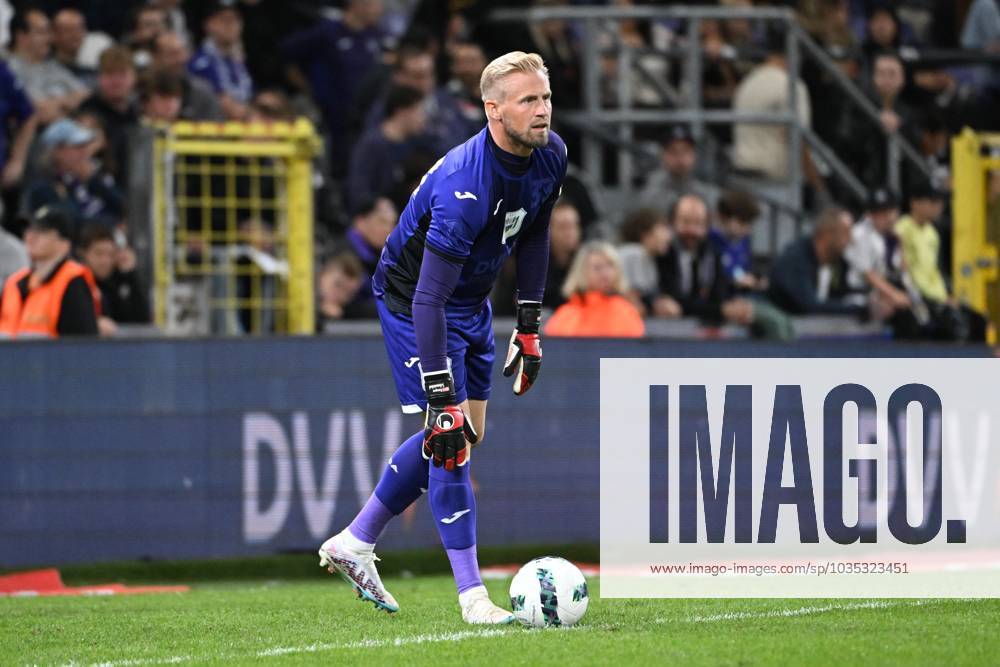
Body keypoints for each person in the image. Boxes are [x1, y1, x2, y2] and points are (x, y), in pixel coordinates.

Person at [318, 51, 567, 625]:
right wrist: (438, 392)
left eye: (546, 97)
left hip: (470, 298)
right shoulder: (465, 188)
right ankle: (473, 599)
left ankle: (354, 542)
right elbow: (428, 298)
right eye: (528, 100)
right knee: (449, 435)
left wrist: (528, 325)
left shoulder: (550, 154)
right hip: (416, 305)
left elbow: (534, 235)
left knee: (465, 432)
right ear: (493, 110)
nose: (541, 110)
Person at [279, 0, 385, 169]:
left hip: (363, 122)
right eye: (374, 3)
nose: (380, 9)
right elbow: (286, 53)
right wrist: (304, 86)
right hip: (329, 120)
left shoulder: (376, 36)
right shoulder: (327, 31)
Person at [0, 207, 98, 339]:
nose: (30, 236)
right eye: (29, 229)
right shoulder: (14, 282)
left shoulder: (73, 281)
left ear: (64, 243)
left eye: (42, 231)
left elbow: (81, 348)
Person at [659, 194, 755, 328]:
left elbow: (719, 296)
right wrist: (719, 310)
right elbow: (672, 300)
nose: (692, 230)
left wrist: (736, 306)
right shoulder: (661, 253)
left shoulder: (712, 253)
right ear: (671, 223)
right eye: (685, 222)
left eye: (698, 224)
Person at [24, 118, 123, 237]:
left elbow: (123, 208)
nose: (84, 152)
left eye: (85, 146)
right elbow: (71, 223)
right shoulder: (43, 187)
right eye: (77, 146)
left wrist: (92, 180)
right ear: (57, 151)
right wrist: (112, 224)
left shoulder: (89, 179)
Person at [844, 187, 923, 337]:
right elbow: (868, 274)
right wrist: (895, 295)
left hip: (879, 292)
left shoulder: (891, 237)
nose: (887, 217)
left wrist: (900, 246)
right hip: (857, 293)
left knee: (915, 310)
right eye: (880, 213)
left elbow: (901, 270)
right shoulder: (860, 233)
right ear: (869, 214)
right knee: (894, 306)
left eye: (890, 211)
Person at [767, 206, 864, 316]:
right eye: (845, 234)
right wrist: (858, 309)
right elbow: (810, 307)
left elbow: (841, 296)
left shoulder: (839, 262)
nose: (851, 241)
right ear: (827, 235)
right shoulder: (795, 260)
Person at [346, 85, 427, 214]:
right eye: (419, 111)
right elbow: (358, 191)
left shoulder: (416, 145)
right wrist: (376, 205)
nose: (423, 118)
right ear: (402, 111)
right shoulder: (372, 145)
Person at [545, 240, 645, 337]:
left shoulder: (627, 313)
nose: (605, 274)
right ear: (581, 273)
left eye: (610, 265)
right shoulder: (566, 316)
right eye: (597, 267)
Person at [7, 7, 88, 117]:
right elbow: (34, 110)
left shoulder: (51, 65)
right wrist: (67, 102)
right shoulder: (8, 69)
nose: (49, 38)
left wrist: (57, 103)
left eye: (48, 32)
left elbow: (85, 94)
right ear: (21, 37)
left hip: (70, 125)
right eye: (42, 32)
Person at [79, 47, 140, 185]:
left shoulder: (138, 114)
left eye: (123, 74)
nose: (116, 81)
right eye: (110, 74)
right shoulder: (87, 111)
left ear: (134, 77)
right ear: (99, 77)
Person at [77, 223, 149, 335]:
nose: (105, 261)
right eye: (98, 253)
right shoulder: (76, 286)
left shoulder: (116, 286)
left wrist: (130, 275)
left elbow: (142, 324)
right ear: (83, 254)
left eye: (110, 254)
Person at [189, 1, 253, 120]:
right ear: (208, 25)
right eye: (225, 20)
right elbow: (228, 107)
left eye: (236, 20)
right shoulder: (202, 63)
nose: (232, 25)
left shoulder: (237, 61)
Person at [637, 125, 718, 214]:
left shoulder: (707, 195)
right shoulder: (649, 198)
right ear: (663, 155)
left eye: (685, 151)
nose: (680, 158)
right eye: (673, 151)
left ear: (694, 155)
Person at [339, 196, 396, 318]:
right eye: (382, 222)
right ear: (360, 222)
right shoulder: (342, 255)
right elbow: (346, 306)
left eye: (392, 224)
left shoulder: (381, 257)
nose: (389, 230)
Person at [617, 208, 679, 318]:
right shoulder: (633, 253)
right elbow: (634, 298)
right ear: (645, 233)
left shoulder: (650, 258)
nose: (668, 237)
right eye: (663, 229)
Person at [152, 30, 224, 121]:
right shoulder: (143, 89)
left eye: (181, 52)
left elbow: (216, 126)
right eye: (172, 54)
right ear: (156, 58)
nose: (179, 60)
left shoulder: (202, 91)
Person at [710, 189, 762, 291]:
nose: (747, 229)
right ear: (722, 217)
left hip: (743, 296)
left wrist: (756, 279)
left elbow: (747, 269)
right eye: (742, 222)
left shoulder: (744, 240)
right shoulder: (708, 241)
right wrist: (732, 282)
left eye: (749, 223)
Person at [315, 252, 365, 332]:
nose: (341, 296)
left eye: (349, 294)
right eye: (337, 285)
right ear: (322, 275)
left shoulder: (350, 312)